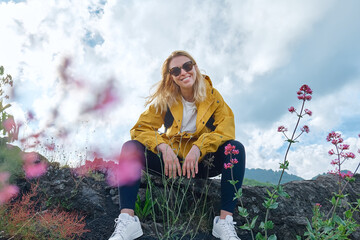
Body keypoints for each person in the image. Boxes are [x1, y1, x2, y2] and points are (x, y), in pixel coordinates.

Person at [109, 50, 245, 240]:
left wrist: (199, 148)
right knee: (130, 147)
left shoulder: (214, 97)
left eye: (187, 66)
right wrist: (162, 147)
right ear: (171, 77)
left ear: (195, 68)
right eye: (176, 70)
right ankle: (127, 221)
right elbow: (140, 129)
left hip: (203, 163)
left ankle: (224, 223)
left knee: (236, 148)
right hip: (171, 164)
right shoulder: (165, 101)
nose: (183, 72)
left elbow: (226, 130)